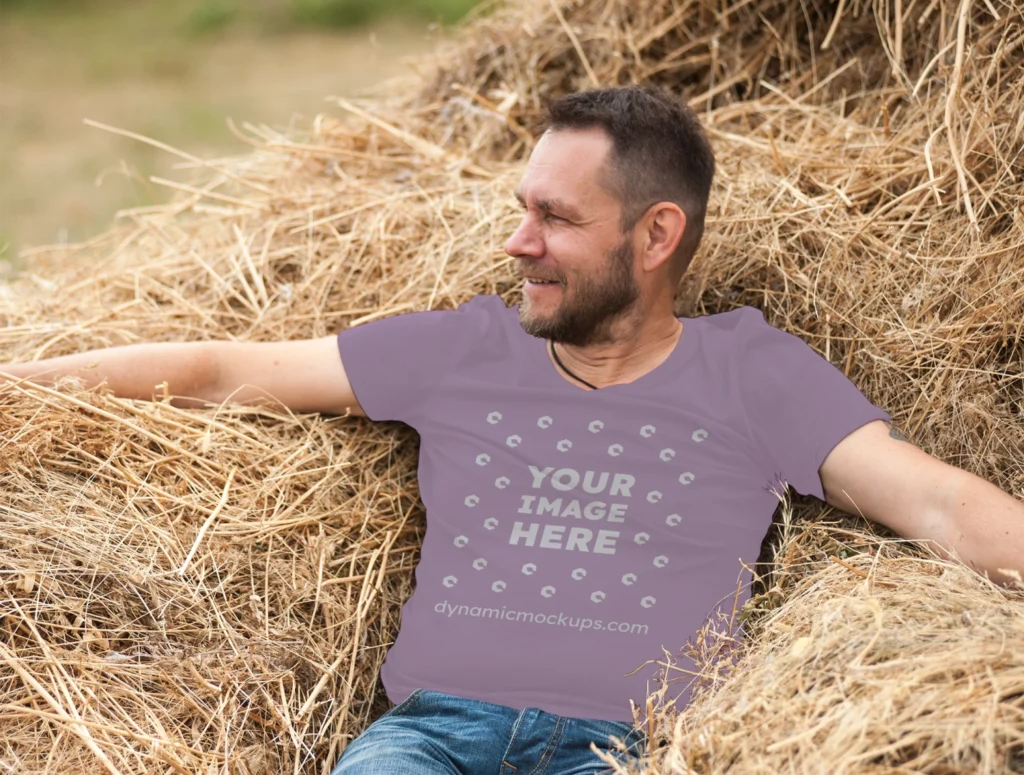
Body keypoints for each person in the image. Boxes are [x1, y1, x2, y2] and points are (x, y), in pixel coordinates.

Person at [3, 86, 1022, 775]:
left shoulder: (751, 373)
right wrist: (20, 384)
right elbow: (224, 372)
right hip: (432, 738)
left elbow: (931, 497)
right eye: (519, 209)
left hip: (624, 748)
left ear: (656, 234)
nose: (517, 242)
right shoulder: (463, 350)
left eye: (556, 220)